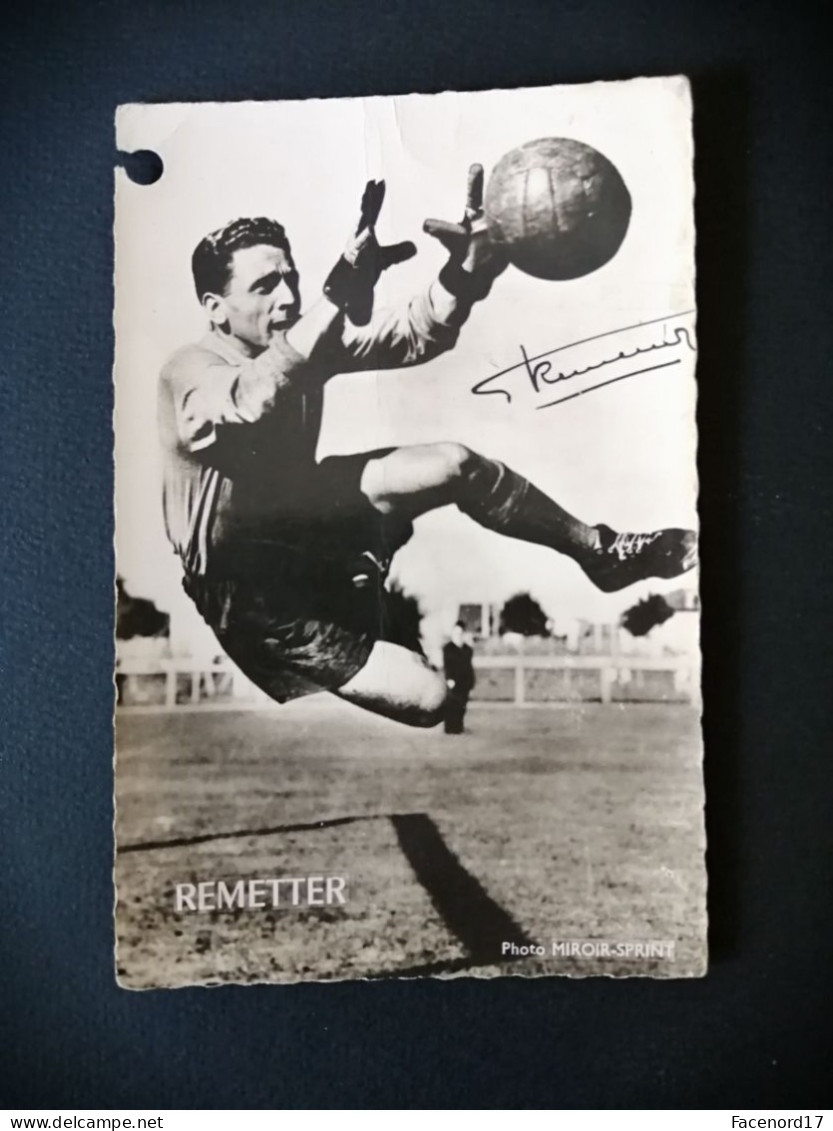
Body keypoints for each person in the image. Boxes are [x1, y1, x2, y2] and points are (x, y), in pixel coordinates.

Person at [158, 166, 697, 728]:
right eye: (264, 287)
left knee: (456, 464)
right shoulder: (189, 372)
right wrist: (338, 298)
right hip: (248, 586)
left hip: (305, 520)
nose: (288, 297)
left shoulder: (300, 345)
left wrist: (464, 275)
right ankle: (358, 591)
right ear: (215, 306)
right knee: (429, 698)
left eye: (292, 280)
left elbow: (416, 333)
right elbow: (251, 399)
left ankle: (600, 552)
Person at [442, 623, 476, 734]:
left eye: (459, 633)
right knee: (452, 704)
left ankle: (459, 727)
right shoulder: (448, 649)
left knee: (462, 704)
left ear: (462, 634)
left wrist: (471, 681)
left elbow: (469, 666)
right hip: (453, 681)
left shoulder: (467, 649)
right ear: (452, 634)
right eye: (455, 633)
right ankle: (450, 728)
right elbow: (448, 665)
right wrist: (450, 679)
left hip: (465, 681)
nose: (457, 635)